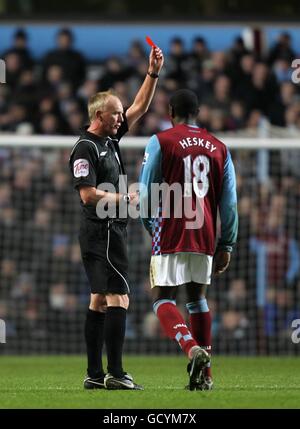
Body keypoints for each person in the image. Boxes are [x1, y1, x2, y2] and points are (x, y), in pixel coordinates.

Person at [69, 45, 164, 390]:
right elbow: (88, 195)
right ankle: (117, 373)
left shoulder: (109, 141)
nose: (122, 118)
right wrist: (125, 197)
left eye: (120, 114)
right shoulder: (86, 148)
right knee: (119, 298)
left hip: (107, 230)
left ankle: (94, 376)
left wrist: (152, 73)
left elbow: (139, 107)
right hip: (103, 229)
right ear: (99, 115)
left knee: (97, 299)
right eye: (116, 115)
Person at [139, 89, 238, 390]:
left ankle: (190, 348)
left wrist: (150, 225)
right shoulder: (219, 147)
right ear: (198, 112)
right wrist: (227, 243)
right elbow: (229, 202)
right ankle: (205, 378)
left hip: (170, 227)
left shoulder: (161, 141)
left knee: (162, 298)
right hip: (205, 232)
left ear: (170, 112)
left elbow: (145, 192)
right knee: (197, 300)